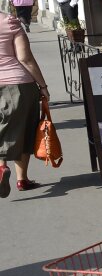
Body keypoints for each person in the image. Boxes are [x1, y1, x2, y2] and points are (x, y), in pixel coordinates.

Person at [0, 13, 52, 196]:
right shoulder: (9, 22)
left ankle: (1, 168)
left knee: (3, 129)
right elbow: (25, 58)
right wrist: (43, 86)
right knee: (23, 130)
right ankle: (22, 179)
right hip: (18, 85)